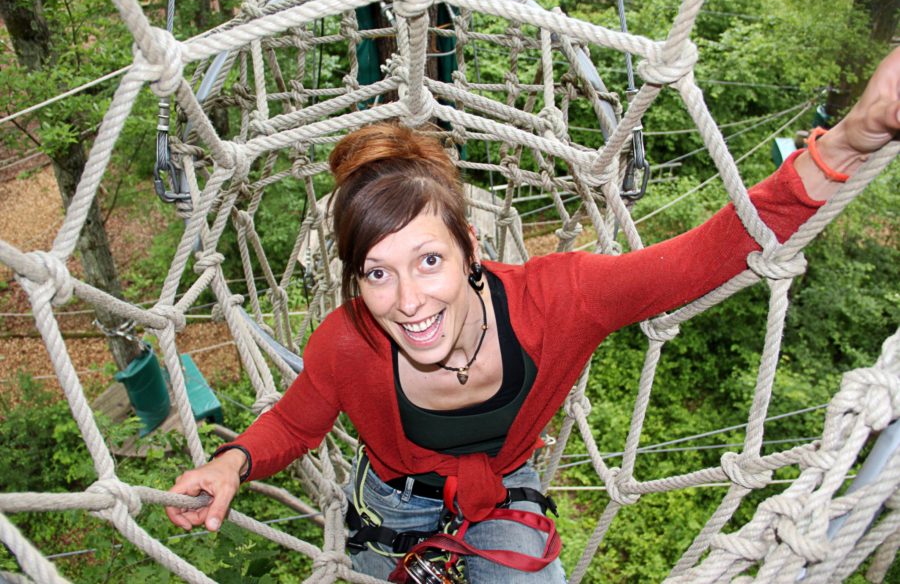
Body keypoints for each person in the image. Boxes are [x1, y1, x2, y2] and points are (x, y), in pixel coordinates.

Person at [166, 47, 900, 582]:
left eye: (429, 261)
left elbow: (702, 257)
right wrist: (233, 463)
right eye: (377, 274)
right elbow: (298, 422)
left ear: (470, 247)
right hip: (391, 506)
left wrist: (848, 140)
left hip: (504, 489)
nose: (409, 302)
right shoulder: (349, 342)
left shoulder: (561, 299)